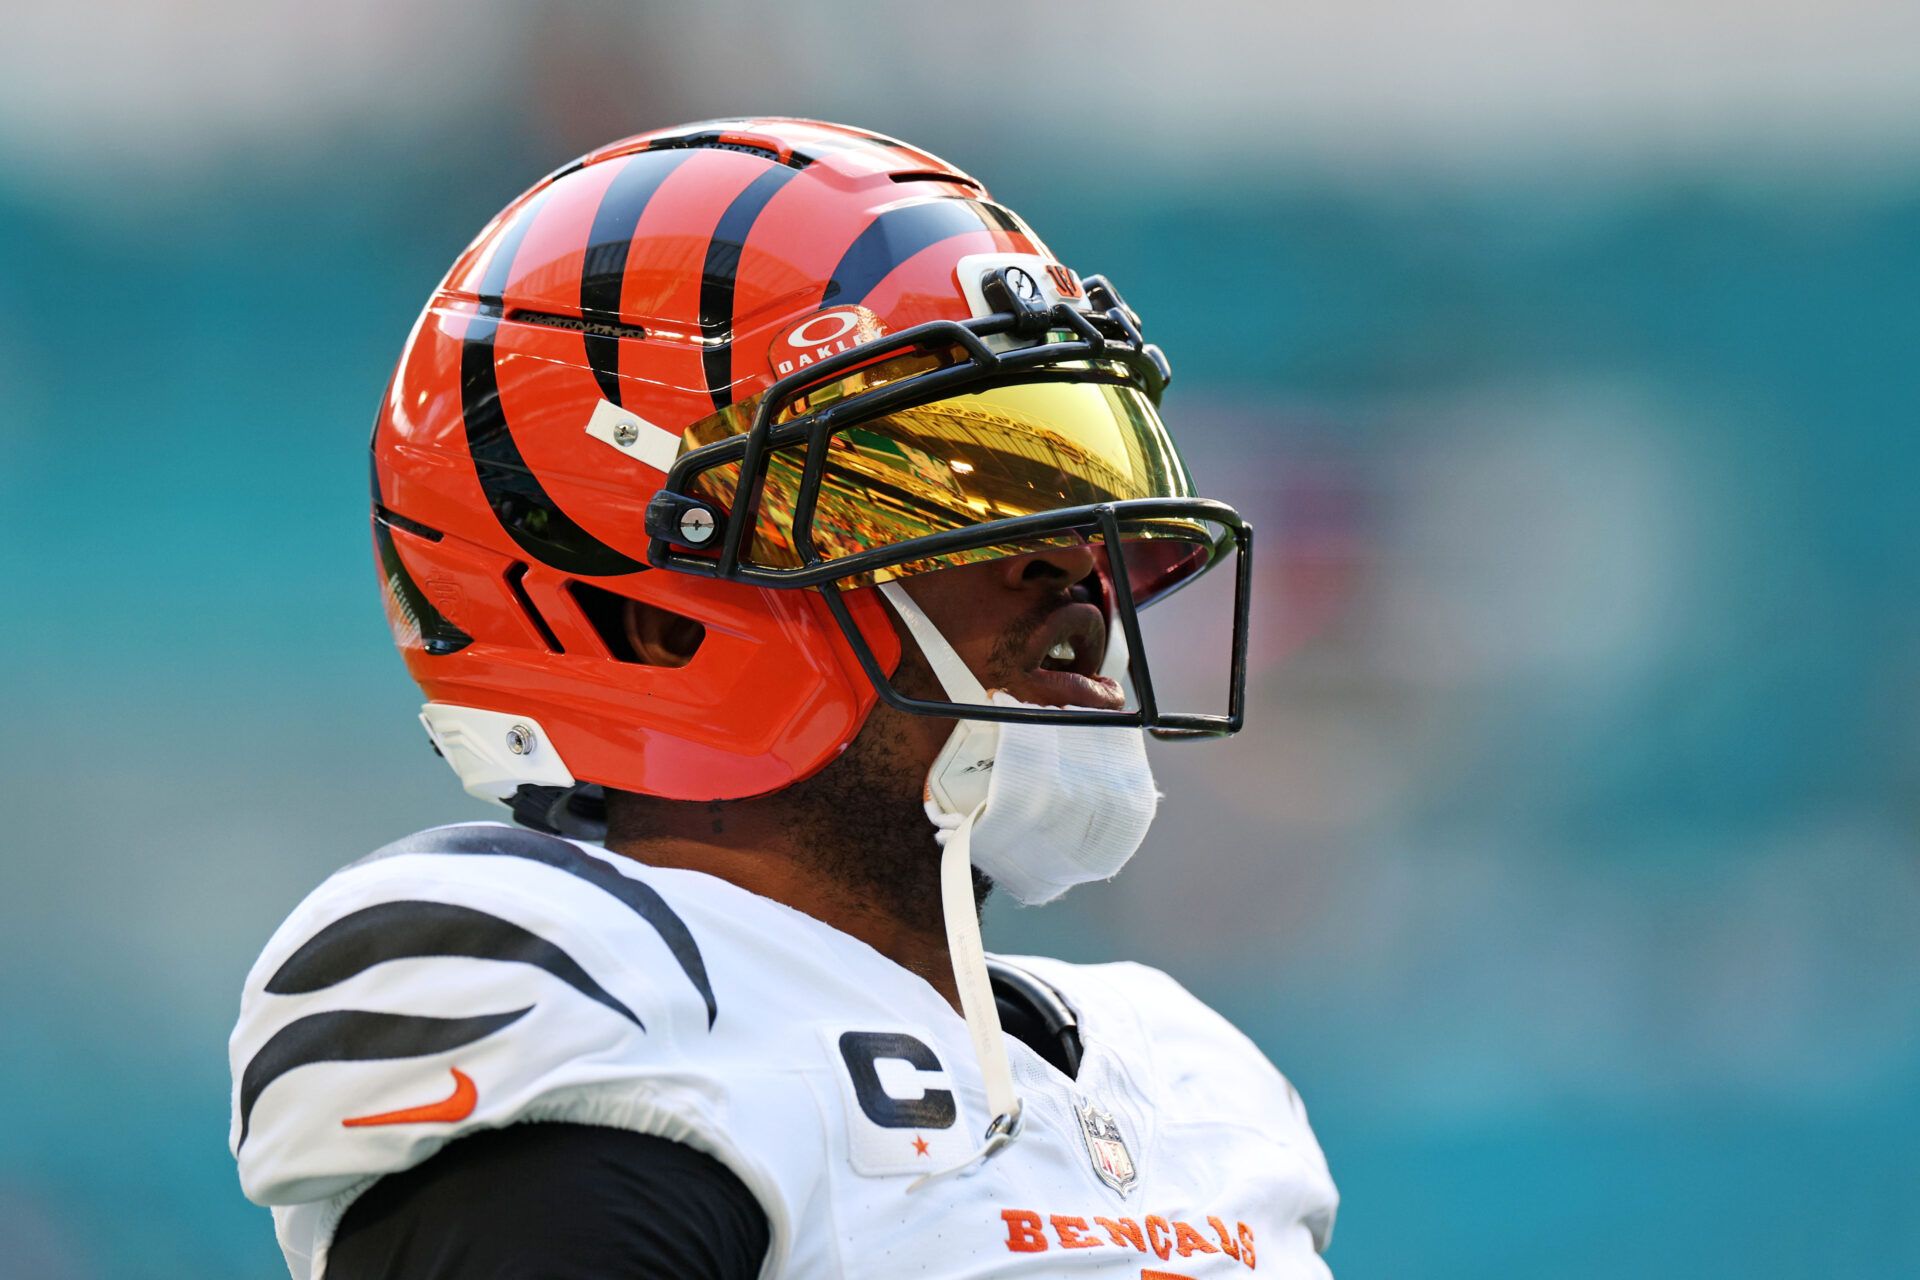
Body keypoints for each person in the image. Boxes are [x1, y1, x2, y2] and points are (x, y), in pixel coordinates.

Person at [228, 117, 1338, 1279]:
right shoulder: (611, 1008)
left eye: (1063, 473)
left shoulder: (1188, 1079)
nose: (1064, 564)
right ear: (656, 618)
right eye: (924, 501)